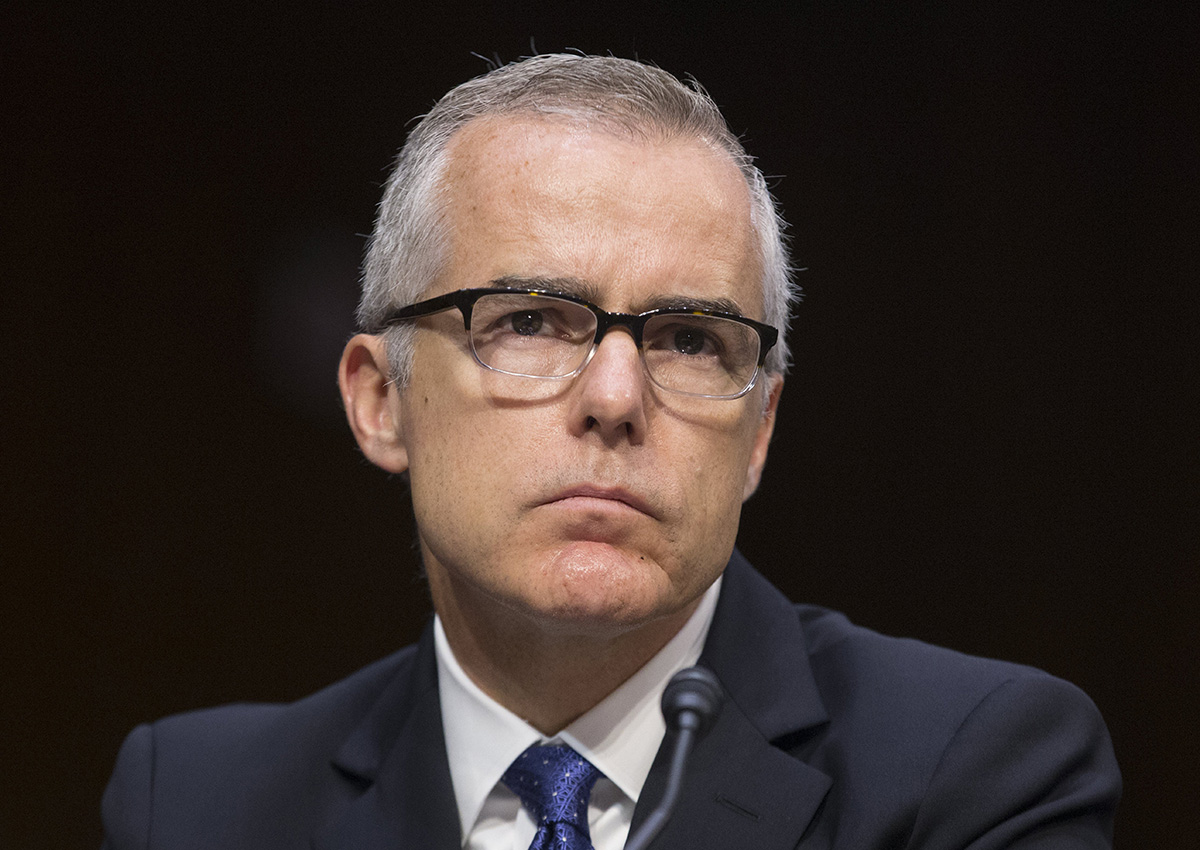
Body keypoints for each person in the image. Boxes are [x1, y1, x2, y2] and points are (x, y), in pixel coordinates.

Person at [100, 54, 1120, 849]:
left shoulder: (979, 771)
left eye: (691, 339)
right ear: (380, 401)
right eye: (533, 321)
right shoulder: (196, 802)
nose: (619, 397)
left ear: (759, 429)